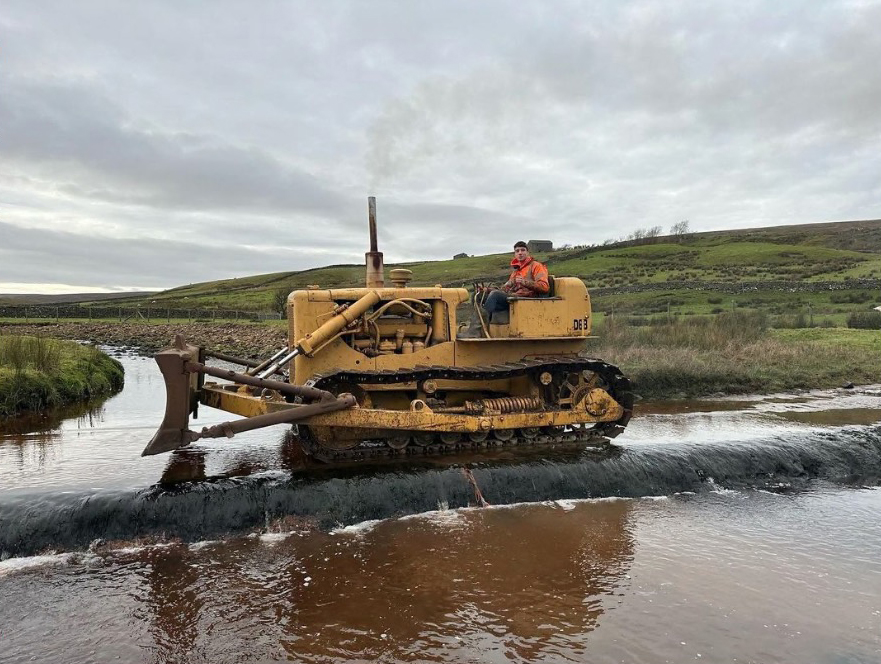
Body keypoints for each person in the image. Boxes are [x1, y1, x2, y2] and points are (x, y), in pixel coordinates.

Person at [482, 241, 550, 317]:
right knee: (480, 296)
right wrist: (488, 290)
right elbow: (505, 288)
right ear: (515, 254)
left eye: (523, 250)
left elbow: (544, 287)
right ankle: (486, 324)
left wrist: (524, 282)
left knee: (495, 295)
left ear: (527, 252)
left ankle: (480, 326)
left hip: (528, 300)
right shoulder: (516, 270)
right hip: (514, 298)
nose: (520, 253)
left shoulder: (536, 266)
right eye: (517, 251)